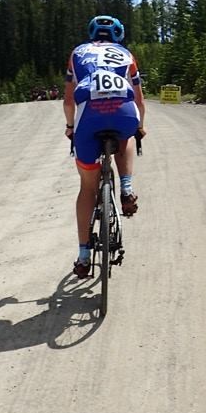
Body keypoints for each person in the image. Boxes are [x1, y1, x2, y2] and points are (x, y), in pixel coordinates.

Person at [64, 15, 146, 278]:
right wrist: (140, 127)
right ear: (118, 36)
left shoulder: (78, 53)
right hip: (123, 111)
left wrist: (70, 127)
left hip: (88, 117)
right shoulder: (126, 55)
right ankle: (126, 188)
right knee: (129, 134)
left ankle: (84, 255)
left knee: (87, 187)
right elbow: (140, 101)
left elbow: (68, 102)